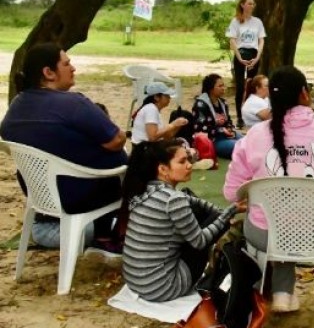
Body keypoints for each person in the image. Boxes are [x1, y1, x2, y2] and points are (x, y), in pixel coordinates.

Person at [224, 66, 314, 314]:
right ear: (304, 93)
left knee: (282, 218)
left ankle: (282, 293)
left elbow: (231, 192)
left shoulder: (253, 136)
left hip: (265, 235)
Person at [0, 43, 127, 251]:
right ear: (49, 72)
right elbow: (117, 140)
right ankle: (113, 228)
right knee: (139, 164)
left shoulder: (16, 106)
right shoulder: (72, 104)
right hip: (82, 196)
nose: (73, 68)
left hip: (42, 198)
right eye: (67, 63)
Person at [121, 140, 244, 302]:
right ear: (163, 169)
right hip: (163, 287)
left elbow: (192, 200)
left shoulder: (145, 189)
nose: (189, 165)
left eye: (188, 159)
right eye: (182, 161)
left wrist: (223, 212)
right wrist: (229, 213)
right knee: (213, 223)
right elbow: (200, 242)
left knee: (195, 204)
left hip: (137, 282)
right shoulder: (173, 200)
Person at [227, 0, 266, 128]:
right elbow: (232, 40)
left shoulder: (257, 22)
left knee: (251, 86)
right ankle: (239, 117)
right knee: (240, 87)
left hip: (254, 54)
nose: (252, 6)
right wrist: (239, 58)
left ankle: (252, 113)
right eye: (249, 3)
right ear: (243, 5)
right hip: (241, 53)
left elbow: (261, 40)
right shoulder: (236, 21)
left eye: (253, 4)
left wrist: (257, 57)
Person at [192, 73, 241, 160]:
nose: (223, 88)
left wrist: (229, 128)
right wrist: (221, 130)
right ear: (211, 89)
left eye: (223, 85)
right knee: (240, 146)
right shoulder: (200, 104)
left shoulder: (223, 102)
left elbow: (228, 120)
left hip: (225, 136)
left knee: (248, 141)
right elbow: (200, 128)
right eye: (220, 86)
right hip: (212, 140)